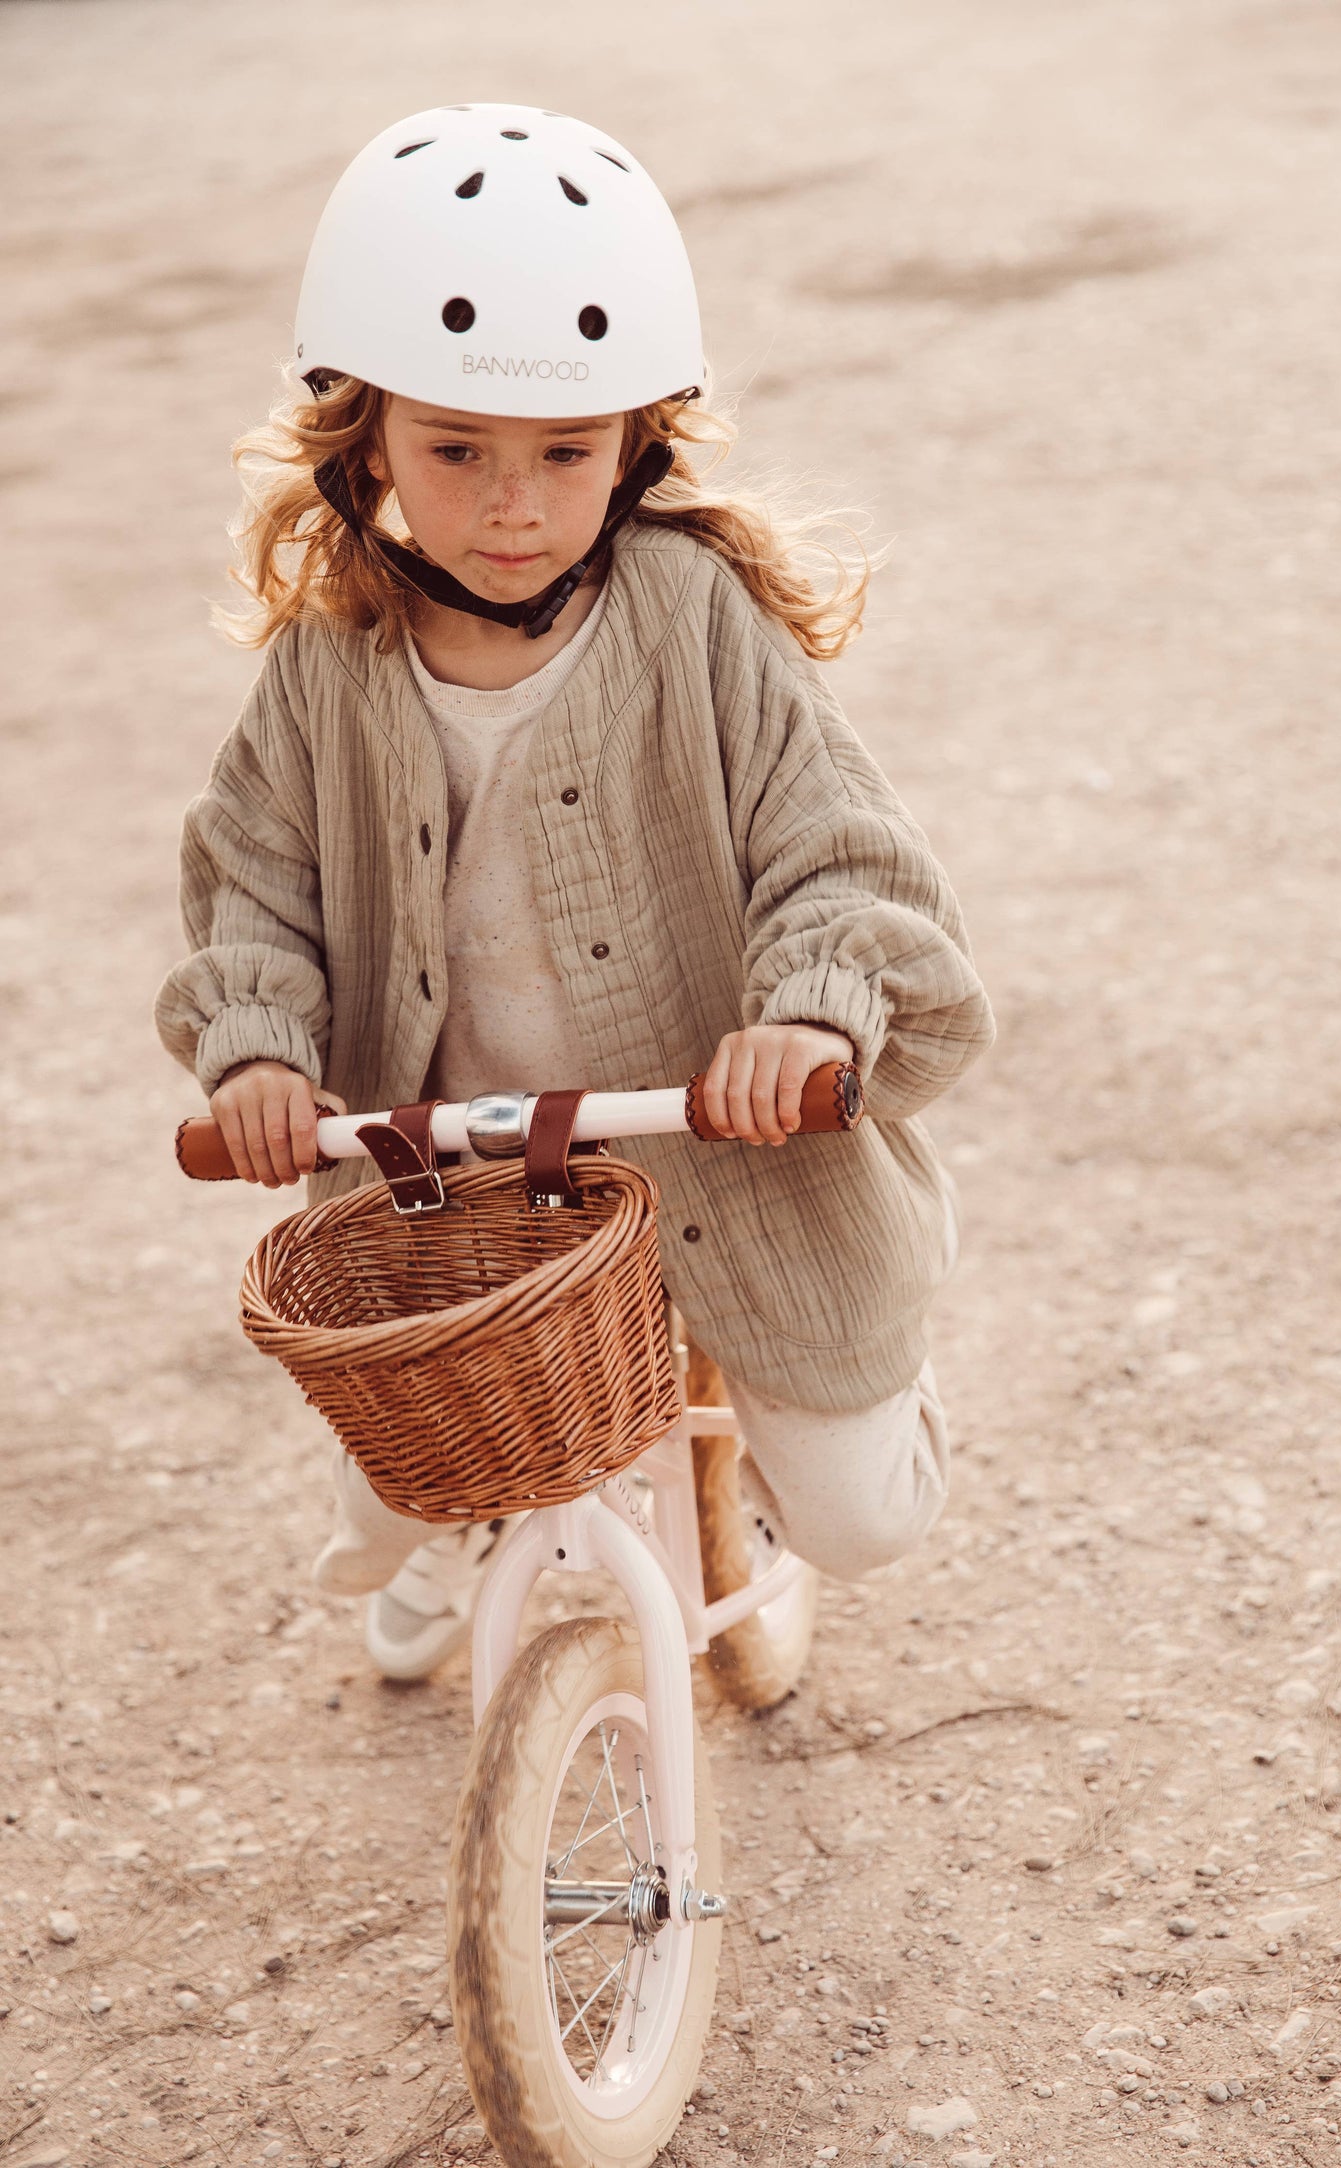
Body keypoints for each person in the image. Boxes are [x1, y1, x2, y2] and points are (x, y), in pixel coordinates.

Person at [155, 104, 995, 1681]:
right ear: (365, 445)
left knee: (868, 1518)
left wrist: (812, 1016)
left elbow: (840, 852)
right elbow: (249, 880)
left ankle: (724, 1432)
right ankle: (479, 1518)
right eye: (452, 449)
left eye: (565, 452)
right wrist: (258, 1049)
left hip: (728, 1146)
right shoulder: (328, 662)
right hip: (462, 1174)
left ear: (638, 445)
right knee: (397, 1490)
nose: (511, 505)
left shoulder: (690, 618)